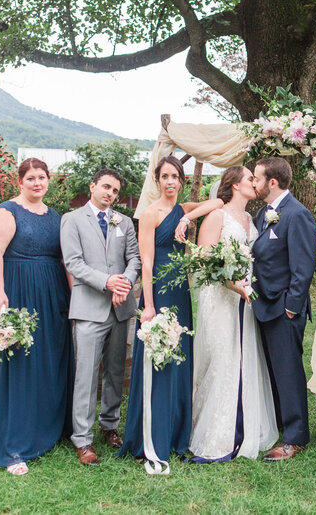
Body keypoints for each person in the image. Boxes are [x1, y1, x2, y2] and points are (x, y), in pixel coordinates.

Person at [0, 158, 74, 475]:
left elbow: (64, 260)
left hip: (52, 298)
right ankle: (11, 445)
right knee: (19, 365)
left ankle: (46, 430)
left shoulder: (55, 217)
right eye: (31, 178)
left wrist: (72, 296)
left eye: (42, 177)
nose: (37, 183)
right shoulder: (6, 212)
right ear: (20, 181)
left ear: (48, 180)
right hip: (18, 293)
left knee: (47, 362)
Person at [117, 156, 223, 463]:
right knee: (157, 360)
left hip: (181, 291)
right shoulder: (149, 214)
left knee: (178, 362)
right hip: (158, 293)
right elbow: (146, 262)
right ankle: (150, 434)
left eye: (175, 176)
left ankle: (177, 434)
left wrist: (186, 219)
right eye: (165, 176)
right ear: (157, 180)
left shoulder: (183, 210)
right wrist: (148, 306)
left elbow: (217, 202)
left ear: (182, 180)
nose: (170, 182)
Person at [189, 165, 278, 461]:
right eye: (250, 179)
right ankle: (215, 434)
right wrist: (231, 282)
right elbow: (202, 260)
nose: (256, 182)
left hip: (245, 298)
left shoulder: (251, 218)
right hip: (221, 297)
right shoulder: (217, 215)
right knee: (221, 360)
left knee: (243, 359)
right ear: (236, 185)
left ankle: (246, 426)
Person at [62, 168, 141, 466]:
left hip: (120, 308)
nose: (110, 193)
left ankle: (110, 425)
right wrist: (107, 282)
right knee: (86, 374)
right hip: (89, 308)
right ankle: (82, 439)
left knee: (116, 370)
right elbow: (73, 262)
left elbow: (134, 257)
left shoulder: (124, 222)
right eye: (106, 187)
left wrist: (124, 281)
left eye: (115, 191)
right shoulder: (71, 220)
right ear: (93, 186)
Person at [251, 157, 316, 461]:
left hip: (283, 308)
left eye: (257, 178)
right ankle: (280, 426)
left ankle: (295, 437)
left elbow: (303, 268)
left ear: (272, 182)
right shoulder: (263, 214)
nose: (254, 183)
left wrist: (291, 308)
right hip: (263, 304)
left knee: (289, 372)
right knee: (274, 370)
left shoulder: (297, 214)